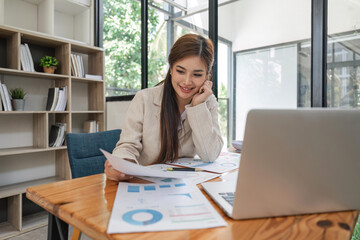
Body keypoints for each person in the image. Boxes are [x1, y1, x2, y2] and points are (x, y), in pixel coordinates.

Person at [105, 33, 224, 181]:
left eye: (197, 74)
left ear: (207, 76)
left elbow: (209, 154)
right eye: (180, 71)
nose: (187, 82)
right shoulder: (144, 98)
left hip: (183, 185)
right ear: (171, 69)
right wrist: (123, 164)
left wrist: (197, 106)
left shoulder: (208, 102)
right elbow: (128, 145)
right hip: (145, 182)